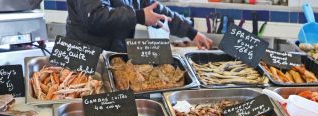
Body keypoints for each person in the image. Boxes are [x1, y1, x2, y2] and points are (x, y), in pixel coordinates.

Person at [66, 1, 212, 52]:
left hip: (114, 54)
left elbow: (155, 9)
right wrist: (139, 16)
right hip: (83, 56)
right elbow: (95, 16)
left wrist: (191, 32)